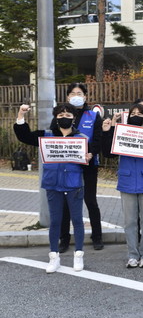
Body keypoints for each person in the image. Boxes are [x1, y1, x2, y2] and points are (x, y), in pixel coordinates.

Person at [14, 103, 92, 272]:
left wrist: (88, 158)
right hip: (52, 184)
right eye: (61, 115)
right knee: (55, 221)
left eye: (68, 115)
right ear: (56, 117)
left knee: (77, 221)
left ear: (74, 118)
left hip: (74, 185)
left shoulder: (82, 139)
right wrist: (21, 115)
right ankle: (54, 257)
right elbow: (24, 136)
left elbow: (90, 166)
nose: (65, 118)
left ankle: (78, 255)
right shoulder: (46, 136)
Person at [102, 104, 143, 268]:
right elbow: (108, 153)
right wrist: (109, 131)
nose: (136, 116)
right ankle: (132, 254)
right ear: (128, 116)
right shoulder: (122, 133)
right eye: (133, 113)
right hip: (127, 181)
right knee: (129, 221)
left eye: (140, 114)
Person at [58, 82, 104, 252]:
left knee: (90, 200)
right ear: (67, 97)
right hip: (67, 165)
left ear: (85, 97)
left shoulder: (93, 116)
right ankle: (64, 238)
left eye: (80, 93)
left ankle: (97, 236)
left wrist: (91, 153)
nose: (76, 96)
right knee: (65, 202)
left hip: (89, 164)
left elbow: (98, 138)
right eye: (72, 93)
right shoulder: (61, 115)